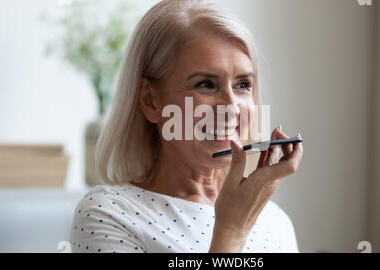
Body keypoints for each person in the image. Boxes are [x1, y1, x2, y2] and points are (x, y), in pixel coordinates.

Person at [70, 0, 303, 253]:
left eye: (243, 84)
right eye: (205, 84)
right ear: (150, 100)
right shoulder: (108, 214)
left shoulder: (276, 221)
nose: (233, 108)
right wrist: (231, 232)